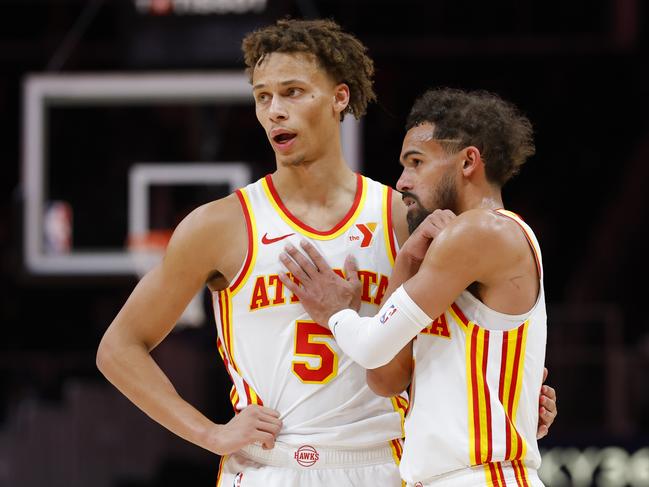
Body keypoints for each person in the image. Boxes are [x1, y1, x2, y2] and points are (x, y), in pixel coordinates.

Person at [96, 20, 556, 487]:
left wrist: (512, 397)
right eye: (263, 96)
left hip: (387, 462)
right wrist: (209, 433)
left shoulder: (405, 216)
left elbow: (465, 341)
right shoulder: (219, 226)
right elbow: (118, 349)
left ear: (339, 98)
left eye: (293, 92)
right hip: (270, 465)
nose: (275, 110)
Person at [279, 88, 550, 486]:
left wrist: (336, 312)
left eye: (416, 162)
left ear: (469, 161)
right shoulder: (447, 253)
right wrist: (405, 262)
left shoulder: (483, 230)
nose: (402, 181)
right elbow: (384, 377)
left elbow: (371, 345)